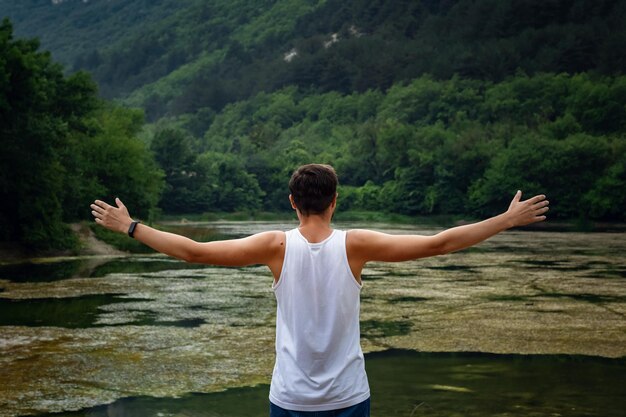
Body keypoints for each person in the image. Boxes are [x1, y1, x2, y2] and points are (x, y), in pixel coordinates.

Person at [90, 163, 549, 417]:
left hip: (288, 399)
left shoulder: (274, 246)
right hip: (348, 398)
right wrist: (507, 219)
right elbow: (441, 242)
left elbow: (194, 252)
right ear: (334, 201)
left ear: (292, 202)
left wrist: (129, 226)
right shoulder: (357, 245)